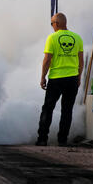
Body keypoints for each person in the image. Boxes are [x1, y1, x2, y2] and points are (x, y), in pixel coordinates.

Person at [36, 13, 84, 146]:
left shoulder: (52, 38)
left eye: (52, 23)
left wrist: (42, 77)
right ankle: (62, 140)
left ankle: (42, 139)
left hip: (56, 78)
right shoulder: (77, 38)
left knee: (48, 109)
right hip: (72, 79)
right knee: (67, 110)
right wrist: (79, 77)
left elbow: (47, 60)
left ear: (57, 23)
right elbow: (81, 61)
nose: (52, 26)